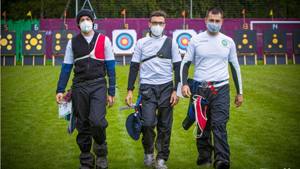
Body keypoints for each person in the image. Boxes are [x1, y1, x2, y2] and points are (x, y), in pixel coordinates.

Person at [180, 7, 243, 169]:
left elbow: (235, 67)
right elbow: (185, 63)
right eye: (211, 20)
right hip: (200, 88)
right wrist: (184, 84)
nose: (214, 23)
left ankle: (222, 160)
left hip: (220, 89)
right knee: (202, 125)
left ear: (222, 21)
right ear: (205, 20)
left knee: (219, 124)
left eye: (217, 21)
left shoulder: (228, 41)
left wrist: (240, 92)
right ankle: (204, 157)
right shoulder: (196, 40)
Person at [55, 9, 116, 169]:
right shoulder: (72, 42)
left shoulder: (104, 40)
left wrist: (111, 92)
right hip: (79, 86)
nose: (85, 21)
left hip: (98, 85)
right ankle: (86, 160)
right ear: (78, 23)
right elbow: (66, 67)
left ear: (93, 21)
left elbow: (110, 67)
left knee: (97, 122)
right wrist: (60, 90)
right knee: (82, 125)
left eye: (87, 18)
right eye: (82, 19)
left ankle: (101, 152)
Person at [125, 10, 181, 169]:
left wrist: (175, 90)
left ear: (165, 25)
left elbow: (177, 67)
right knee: (148, 124)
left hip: (166, 88)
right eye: (154, 23)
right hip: (147, 89)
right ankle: (149, 151)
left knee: (165, 126)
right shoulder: (141, 43)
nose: (157, 26)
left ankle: (161, 158)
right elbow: (134, 66)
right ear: (149, 24)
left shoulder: (172, 43)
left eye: (160, 23)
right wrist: (130, 90)